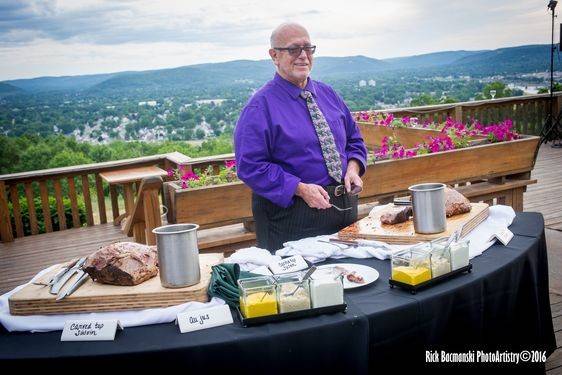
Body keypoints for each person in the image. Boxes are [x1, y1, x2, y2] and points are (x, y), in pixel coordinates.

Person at [234, 22, 367, 252]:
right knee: (302, 287)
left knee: (351, 279)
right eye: (294, 49)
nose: (303, 56)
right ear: (274, 55)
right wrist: (300, 188)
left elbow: (354, 140)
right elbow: (250, 166)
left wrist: (353, 168)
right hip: (292, 218)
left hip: (344, 210)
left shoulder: (329, 94)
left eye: (308, 48)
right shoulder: (260, 107)